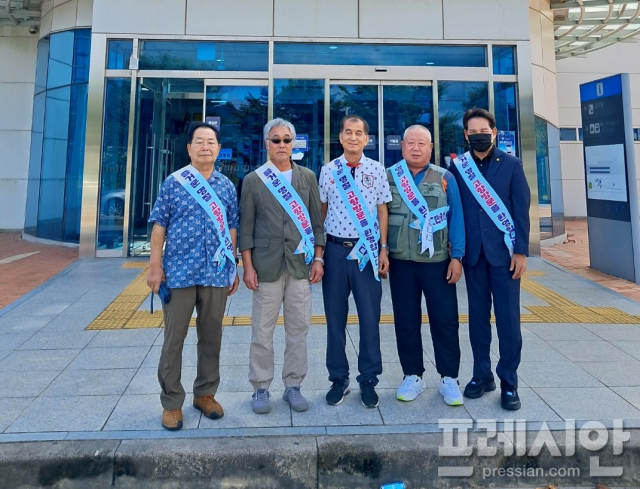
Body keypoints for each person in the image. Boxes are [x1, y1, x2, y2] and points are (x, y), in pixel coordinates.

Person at [147, 122, 240, 431]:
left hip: (215, 272)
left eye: (210, 142)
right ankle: (171, 403)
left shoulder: (226, 186)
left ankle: (205, 394)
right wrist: (154, 266)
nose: (205, 147)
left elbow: (232, 227)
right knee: (174, 339)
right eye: (199, 141)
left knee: (212, 335)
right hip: (179, 272)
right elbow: (159, 226)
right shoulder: (174, 183)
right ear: (189, 148)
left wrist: (232, 265)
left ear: (218, 149)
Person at [239, 118, 325, 414]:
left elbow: (316, 223)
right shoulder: (253, 180)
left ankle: (293, 385)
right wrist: (247, 266)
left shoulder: (308, 177)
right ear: (267, 143)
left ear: (293, 143)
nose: (281, 145)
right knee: (262, 331)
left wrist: (319, 257)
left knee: (298, 329)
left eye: (287, 140)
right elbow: (246, 228)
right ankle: (261, 387)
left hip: (300, 265)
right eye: (275, 140)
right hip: (265, 266)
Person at [449, 108, 531, 411]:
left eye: (483, 131)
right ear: (466, 135)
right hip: (474, 256)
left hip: (505, 256)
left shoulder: (511, 164)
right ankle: (482, 375)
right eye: (473, 132)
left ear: (494, 133)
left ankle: (509, 381)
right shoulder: (459, 167)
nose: (478, 136)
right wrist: (456, 252)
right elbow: (456, 210)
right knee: (478, 319)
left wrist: (521, 251)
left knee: (508, 321)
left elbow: (521, 210)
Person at [386, 125, 466, 406]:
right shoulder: (389, 176)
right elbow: (378, 217)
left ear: (431, 148)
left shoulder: (445, 177)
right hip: (400, 262)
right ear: (402, 146)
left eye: (422, 143)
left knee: (445, 320)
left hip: (437, 262)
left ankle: (449, 378)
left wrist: (457, 257)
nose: (416, 148)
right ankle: (413, 375)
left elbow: (456, 218)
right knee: (405, 320)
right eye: (410, 143)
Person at [319, 115, 391, 409]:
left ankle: (369, 379)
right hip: (335, 251)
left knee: (369, 318)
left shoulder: (377, 169)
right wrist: (319, 253)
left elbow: (383, 210)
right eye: (347, 132)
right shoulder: (328, 170)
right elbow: (322, 211)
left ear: (366, 139)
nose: (352, 137)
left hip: (367, 252)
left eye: (358, 133)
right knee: (334, 318)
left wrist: (383, 248)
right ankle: (338, 378)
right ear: (340, 137)